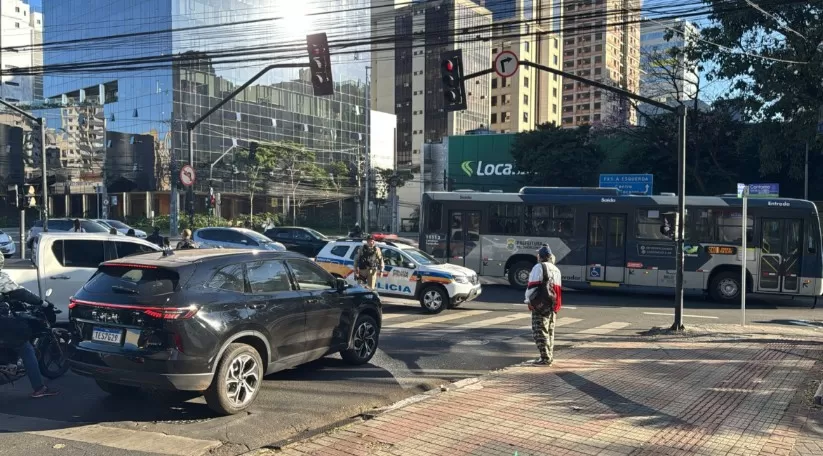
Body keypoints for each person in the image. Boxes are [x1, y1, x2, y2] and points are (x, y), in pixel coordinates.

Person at [0, 255, 59, 398]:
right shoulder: (1, 277)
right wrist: (43, 303)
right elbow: (21, 293)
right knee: (25, 348)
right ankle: (39, 388)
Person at [524, 245, 562, 366]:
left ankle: (545, 358)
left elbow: (532, 286)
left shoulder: (538, 267)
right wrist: (556, 306)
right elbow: (558, 290)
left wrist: (528, 301)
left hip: (541, 305)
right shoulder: (556, 269)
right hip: (553, 304)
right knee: (550, 332)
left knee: (539, 332)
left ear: (540, 256)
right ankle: (549, 356)